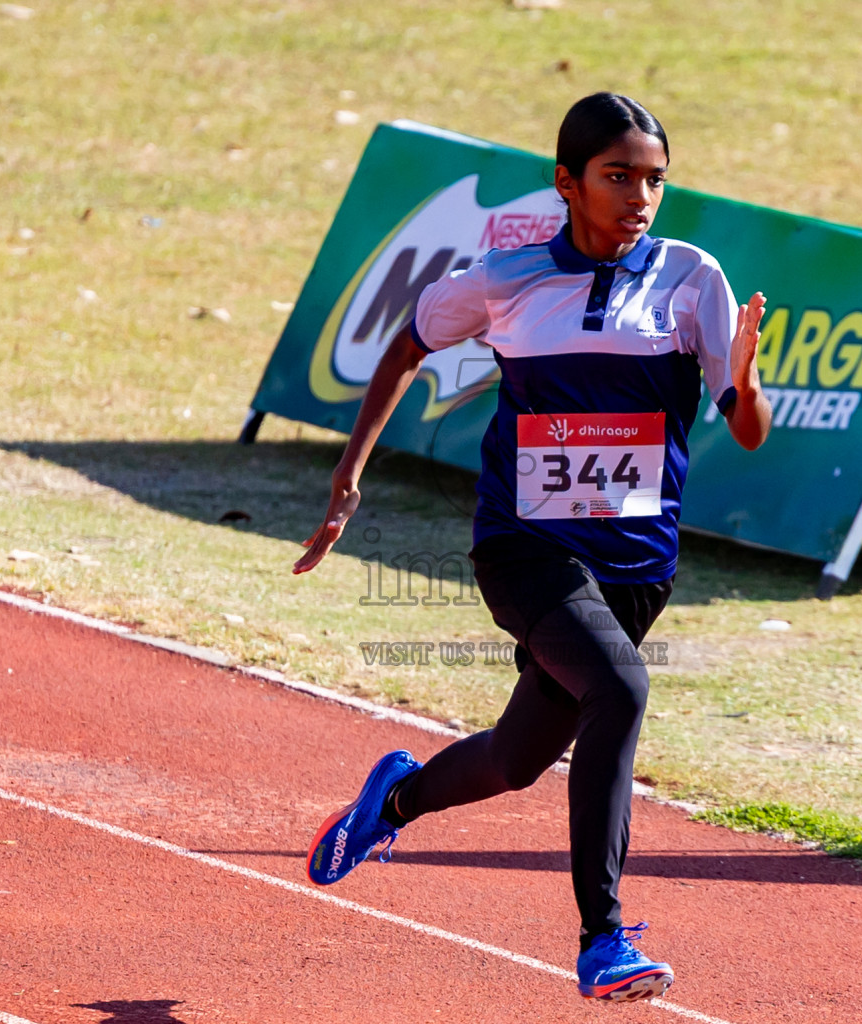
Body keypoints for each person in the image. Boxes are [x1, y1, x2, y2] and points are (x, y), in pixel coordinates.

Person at [293, 92, 771, 1003]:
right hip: (522, 550)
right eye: (617, 176)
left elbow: (745, 429)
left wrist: (742, 379)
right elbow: (404, 347)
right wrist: (349, 476)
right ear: (568, 183)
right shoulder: (506, 279)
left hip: (637, 567)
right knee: (622, 688)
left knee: (518, 761)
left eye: (654, 180)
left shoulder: (690, 278)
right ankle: (602, 940)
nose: (639, 196)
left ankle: (391, 801)